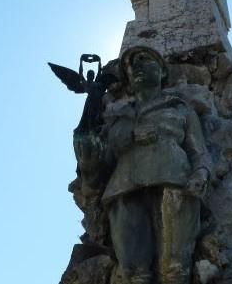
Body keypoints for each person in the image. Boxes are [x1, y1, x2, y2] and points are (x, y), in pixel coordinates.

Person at [79, 46, 212, 284]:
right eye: (130, 65)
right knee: (133, 272)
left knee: (174, 268)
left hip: (175, 183)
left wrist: (201, 173)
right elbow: (103, 165)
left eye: (144, 59)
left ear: (161, 71)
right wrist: (89, 157)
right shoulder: (119, 118)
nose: (135, 66)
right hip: (123, 190)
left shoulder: (178, 108)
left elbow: (199, 151)